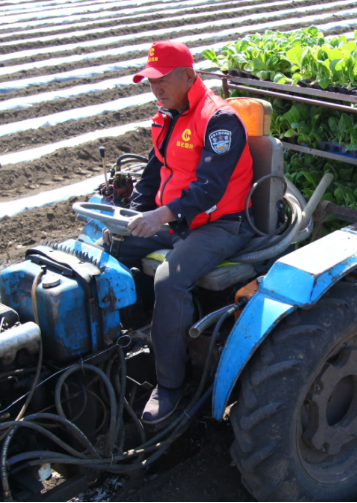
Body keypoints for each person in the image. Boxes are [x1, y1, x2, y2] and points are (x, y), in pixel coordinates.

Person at [102, 40, 255, 425]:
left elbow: (209, 189)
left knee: (171, 281)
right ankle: (130, 335)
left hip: (220, 224)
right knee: (113, 246)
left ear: (188, 75)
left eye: (163, 79)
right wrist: (133, 216)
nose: (156, 88)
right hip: (176, 221)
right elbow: (153, 173)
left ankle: (171, 386)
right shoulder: (167, 116)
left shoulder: (219, 120)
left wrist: (161, 216)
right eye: (150, 81)